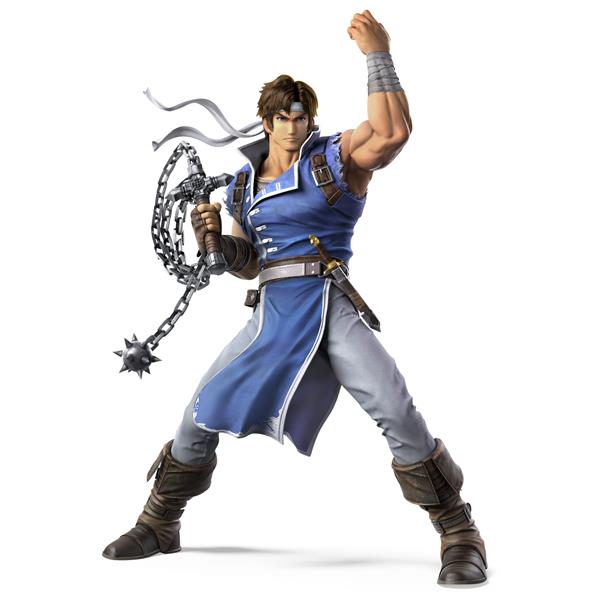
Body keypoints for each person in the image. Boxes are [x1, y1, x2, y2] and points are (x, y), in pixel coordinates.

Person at [103, 10, 487, 586]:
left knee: (396, 410)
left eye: (300, 116)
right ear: (265, 121)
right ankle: (160, 521)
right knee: (198, 412)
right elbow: (250, 262)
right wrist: (216, 244)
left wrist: (377, 54)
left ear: (311, 119)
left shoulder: (332, 160)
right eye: (282, 117)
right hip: (273, 316)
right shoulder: (242, 185)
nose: (291, 126)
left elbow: (391, 133)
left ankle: (459, 531)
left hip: (329, 308)